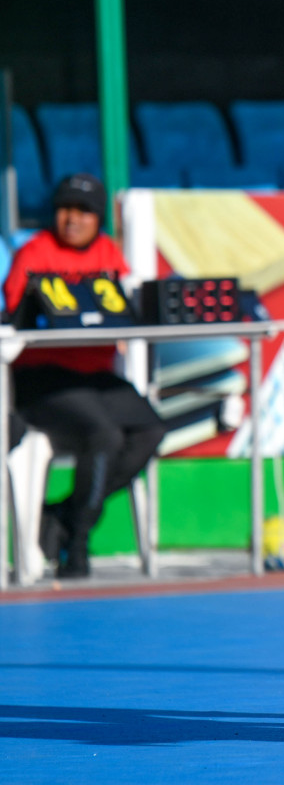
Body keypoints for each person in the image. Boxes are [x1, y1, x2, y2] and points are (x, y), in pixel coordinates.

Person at [3, 173, 166, 579]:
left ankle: (62, 516)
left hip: (95, 376)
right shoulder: (34, 254)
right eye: (64, 210)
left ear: (97, 219)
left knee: (149, 430)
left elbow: (124, 311)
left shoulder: (109, 255)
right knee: (105, 434)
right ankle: (76, 547)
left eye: (82, 212)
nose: (72, 219)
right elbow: (13, 319)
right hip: (43, 377)